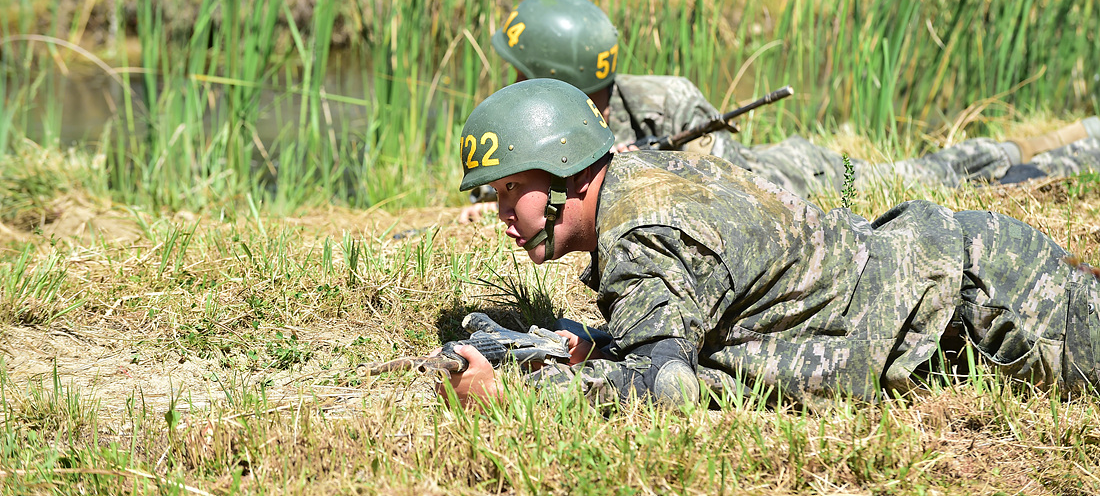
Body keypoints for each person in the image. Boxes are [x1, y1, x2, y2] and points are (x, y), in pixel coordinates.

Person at [442, 79, 1100, 409]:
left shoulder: (640, 234)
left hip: (992, 312)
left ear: (565, 171)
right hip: (972, 271)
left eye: (509, 191)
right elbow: (695, 314)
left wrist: (511, 395)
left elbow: (668, 386)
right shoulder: (640, 173)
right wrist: (599, 346)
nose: (501, 214)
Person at [477, 0, 1100, 202]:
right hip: (785, 176)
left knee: (950, 172)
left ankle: (1076, 146)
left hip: (802, 178)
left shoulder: (666, 103)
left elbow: (720, 188)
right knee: (955, 168)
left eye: (519, 74)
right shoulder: (551, 128)